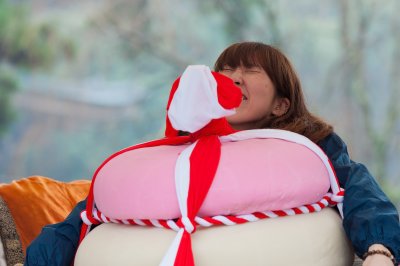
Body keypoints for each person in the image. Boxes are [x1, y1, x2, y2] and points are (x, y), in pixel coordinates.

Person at [25, 42, 400, 266]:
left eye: (250, 71)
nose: (234, 77)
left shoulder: (313, 147)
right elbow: (85, 217)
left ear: (281, 105)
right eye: (226, 69)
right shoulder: (179, 156)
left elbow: (362, 194)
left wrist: (380, 250)